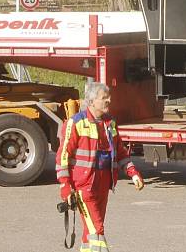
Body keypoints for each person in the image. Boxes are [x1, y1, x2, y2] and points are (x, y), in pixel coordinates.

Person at [56, 82, 144, 252]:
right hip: (83, 188)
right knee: (97, 231)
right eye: (104, 98)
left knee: (89, 232)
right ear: (91, 101)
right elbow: (62, 157)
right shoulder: (75, 124)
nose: (109, 101)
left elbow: (120, 153)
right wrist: (65, 187)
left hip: (103, 187)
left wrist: (133, 173)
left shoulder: (110, 124)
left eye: (108, 97)